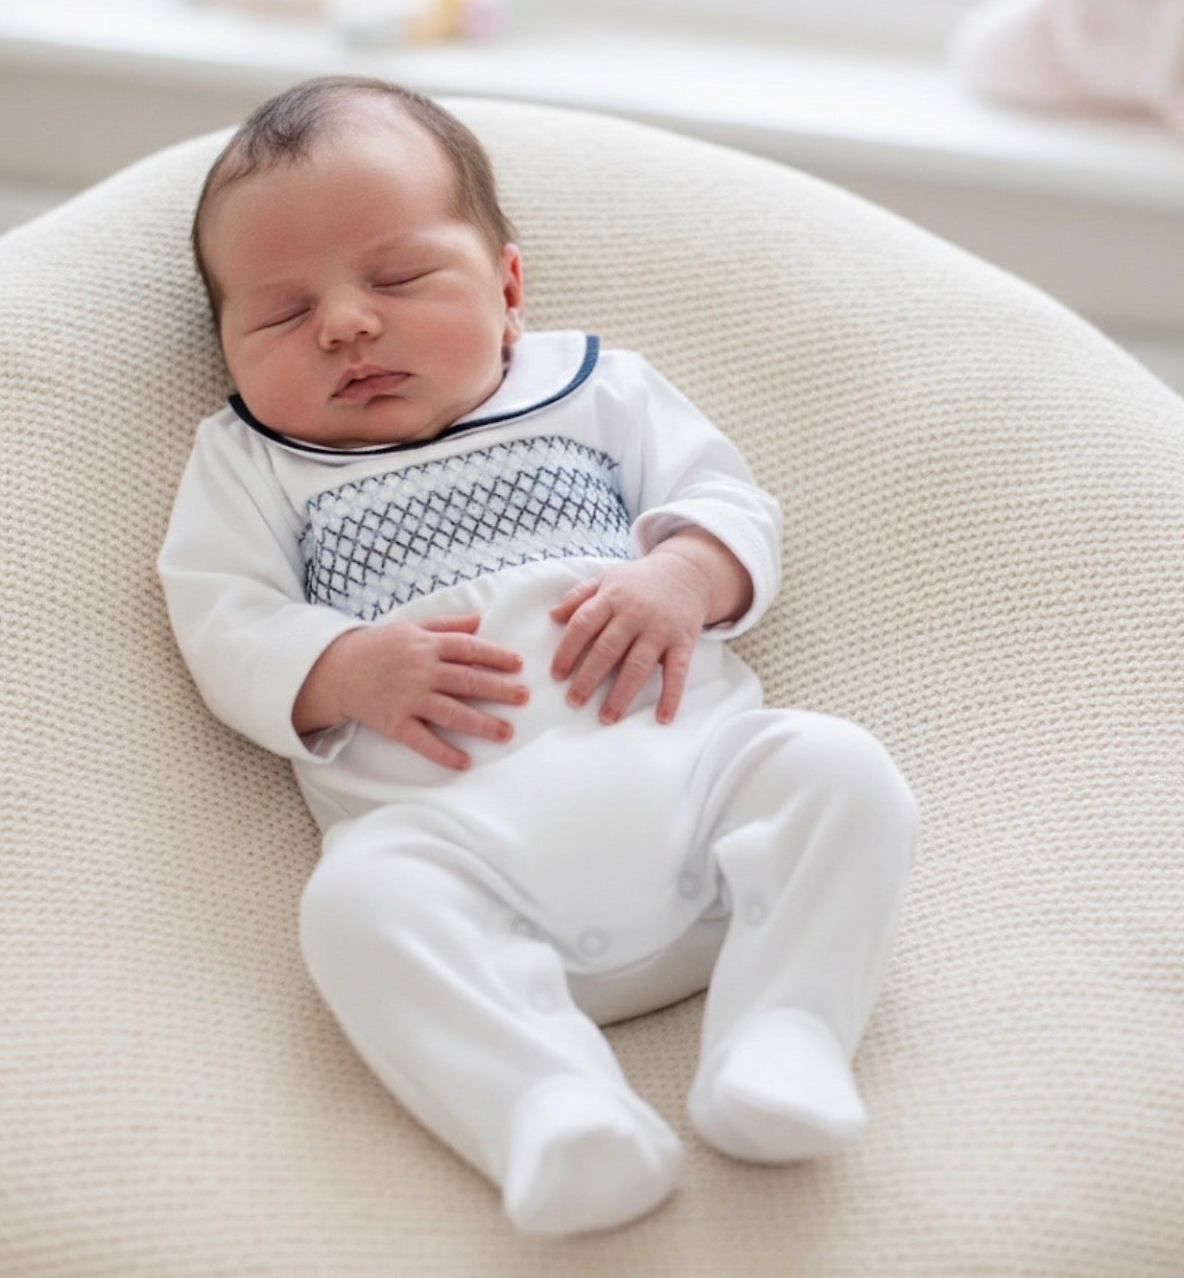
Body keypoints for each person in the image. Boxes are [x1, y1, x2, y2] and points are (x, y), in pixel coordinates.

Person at [158, 75, 918, 1238]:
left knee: (838, 769)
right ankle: (551, 1110)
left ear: (509, 289)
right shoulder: (252, 464)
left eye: (398, 279)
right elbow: (220, 613)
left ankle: (783, 1034)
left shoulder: (598, 388)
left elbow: (730, 503)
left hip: (696, 805)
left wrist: (683, 576)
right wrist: (344, 666)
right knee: (355, 905)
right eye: (280, 315)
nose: (346, 325)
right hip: (464, 856)